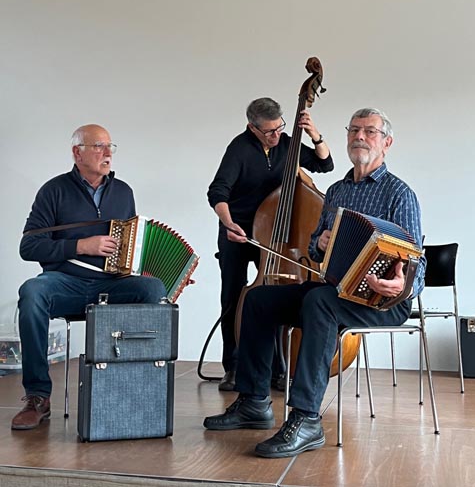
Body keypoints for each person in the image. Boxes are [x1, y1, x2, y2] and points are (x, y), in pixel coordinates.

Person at [203, 107, 426, 458]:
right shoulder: (336, 191)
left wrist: (402, 286)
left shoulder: (399, 194)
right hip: (337, 290)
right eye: (354, 130)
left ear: (387, 143)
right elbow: (315, 250)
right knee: (260, 299)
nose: (359, 137)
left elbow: (417, 259)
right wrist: (319, 244)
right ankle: (254, 401)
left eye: (369, 131)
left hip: (382, 303)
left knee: (319, 301)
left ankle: (307, 418)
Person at [12, 124, 166, 431]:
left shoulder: (124, 192)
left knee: (153, 289)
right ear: (77, 152)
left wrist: (156, 270)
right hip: (64, 281)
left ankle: (133, 387)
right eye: (99, 147)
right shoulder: (53, 190)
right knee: (32, 292)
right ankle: (38, 396)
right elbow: (28, 246)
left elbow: (130, 249)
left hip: (111, 284)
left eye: (110, 147)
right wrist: (81, 245)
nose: (108, 153)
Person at [207, 97, 334, 391]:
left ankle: (277, 367)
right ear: (252, 127)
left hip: (275, 231)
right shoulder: (239, 149)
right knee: (234, 296)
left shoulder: (287, 144)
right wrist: (228, 224)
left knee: (276, 294)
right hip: (239, 230)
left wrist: (315, 134)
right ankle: (234, 366)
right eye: (269, 131)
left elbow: (324, 164)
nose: (276, 135)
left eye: (280, 128)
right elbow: (217, 192)